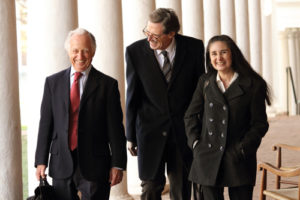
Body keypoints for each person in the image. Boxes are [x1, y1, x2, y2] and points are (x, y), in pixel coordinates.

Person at [34, 28, 127, 200]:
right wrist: (41, 161)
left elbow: (115, 128)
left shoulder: (108, 85)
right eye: (75, 50)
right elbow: (46, 123)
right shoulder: (52, 83)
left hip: (95, 163)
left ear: (93, 52)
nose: (80, 56)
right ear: (69, 51)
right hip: (61, 161)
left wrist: (118, 164)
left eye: (85, 50)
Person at [125, 8, 205, 200]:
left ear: (171, 33)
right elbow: (132, 95)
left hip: (183, 132)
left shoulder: (194, 48)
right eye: (147, 32)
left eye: (155, 35)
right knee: (150, 188)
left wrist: (200, 128)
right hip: (149, 132)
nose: (149, 38)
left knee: (182, 189)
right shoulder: (134, 52)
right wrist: (130, 136)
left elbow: (200, 90)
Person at [184, 35, 272, 200]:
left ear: (233, 54)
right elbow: (190, 115)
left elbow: (259, 124)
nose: (219, 58)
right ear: (209, 58)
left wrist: (243, 148)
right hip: (207, 156)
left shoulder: (253, 84)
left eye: (223, 52)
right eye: (214, 54)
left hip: (238, 157)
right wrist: (195, 143)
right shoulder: (205, 82)